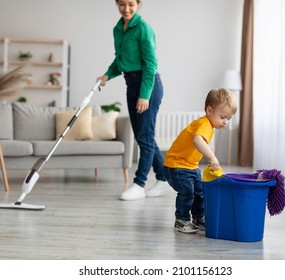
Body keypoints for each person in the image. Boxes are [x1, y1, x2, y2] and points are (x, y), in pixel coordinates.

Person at [97, 0, 170, 200]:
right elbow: (119, 60)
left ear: (139, 4)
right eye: (122, 4)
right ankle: (163, 178)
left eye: (131, 4)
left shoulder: (144, 29)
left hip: (148, 85)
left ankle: (139, 185)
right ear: (117, 4)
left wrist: (144, 95)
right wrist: (107, 75)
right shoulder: (117, 29)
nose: (126, 9)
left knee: (145, 137)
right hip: (131, 84)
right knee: (143, 135)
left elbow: (150, 64)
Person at [163, 88, 238, 233]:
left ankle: (198, 218)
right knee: (187, 192)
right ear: (209, 111)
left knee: (200, 191)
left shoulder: (209, 126)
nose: (225, 122)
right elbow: (197, 140)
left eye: (229, 119)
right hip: (176, 165)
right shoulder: (204, 123)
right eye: (223, 117)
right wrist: (212, 156)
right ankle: (181, 220)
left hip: (190, 166)